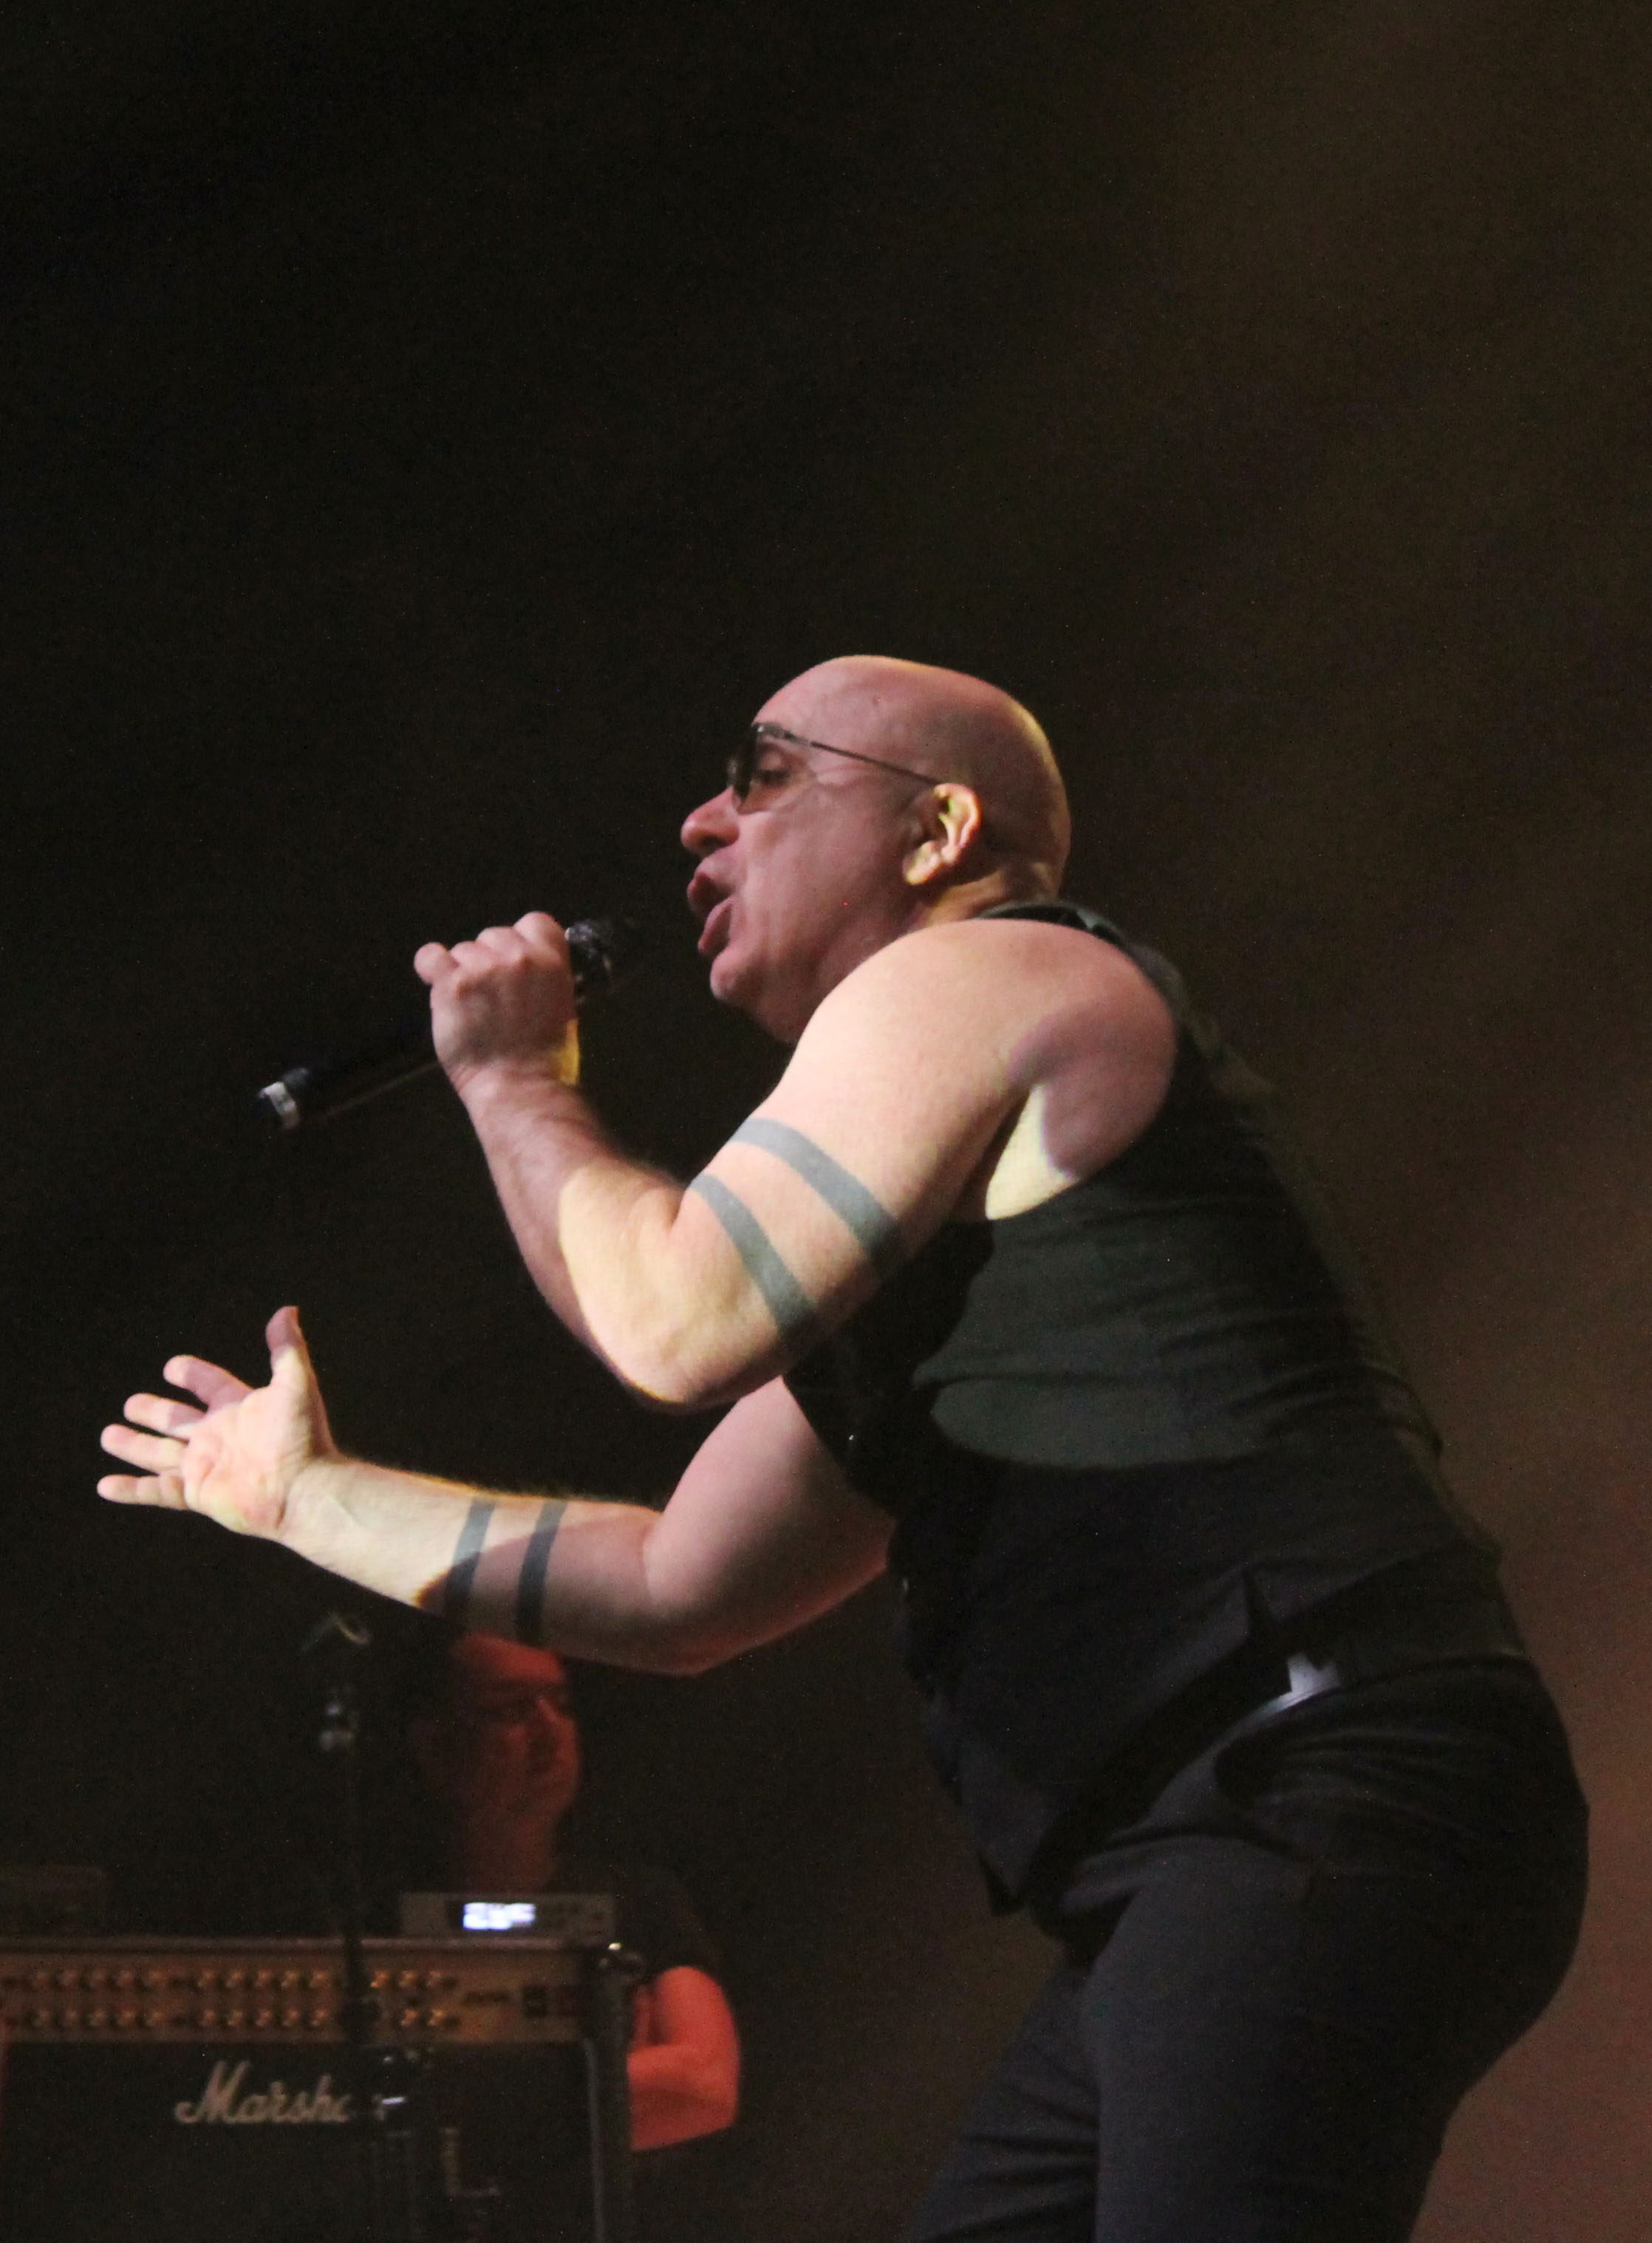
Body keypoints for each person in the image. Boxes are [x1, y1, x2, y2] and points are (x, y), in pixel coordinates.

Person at [100, 654, 1587, 2242]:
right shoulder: (933, 1237)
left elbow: (672, 1319)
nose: (699, 825)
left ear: (937, 830)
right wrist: (306, 1499)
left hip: (1310, 1783)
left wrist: (512, 1084)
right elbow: (683, 1588)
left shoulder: (989, 971)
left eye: (762, 776)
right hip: (1223, 1839)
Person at [403, 1630, 739, 2154]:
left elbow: (705, 2084)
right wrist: (607, 2078)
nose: (549, 1729)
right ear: (435, 1744)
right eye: (510, 1709)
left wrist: (464, 2105)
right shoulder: (382, 1916)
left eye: (561, 1703)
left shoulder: (641, 1901)